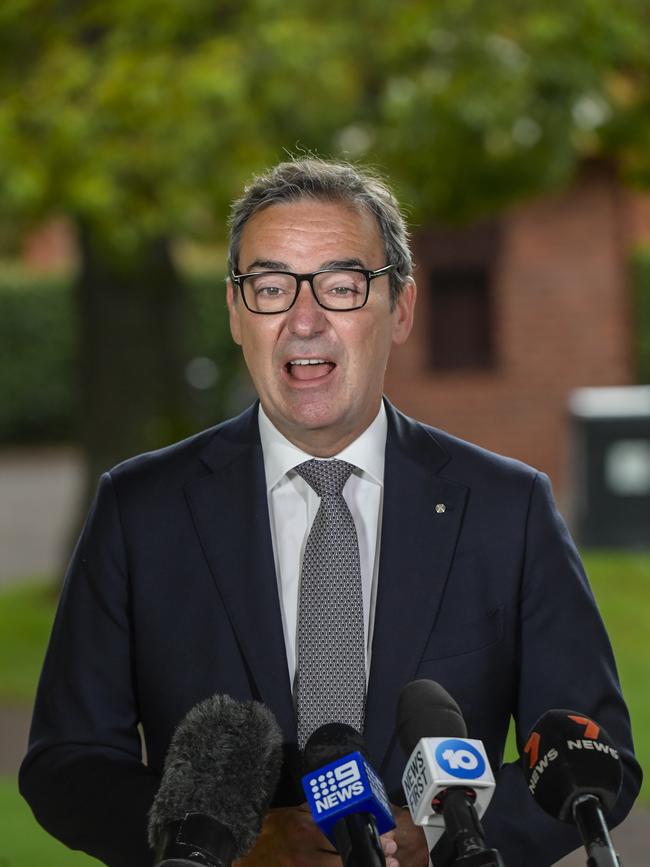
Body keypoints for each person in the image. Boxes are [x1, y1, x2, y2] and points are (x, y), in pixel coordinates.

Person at [20, 158, 641, 867]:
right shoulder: (139, 510)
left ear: (399, 308)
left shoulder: (508, 507)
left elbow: (601, 758)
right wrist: (229, 843)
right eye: (272, 287)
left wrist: (440, 836)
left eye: (342, 287)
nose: (304, 320)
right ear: (235, 310)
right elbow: (66, 763)